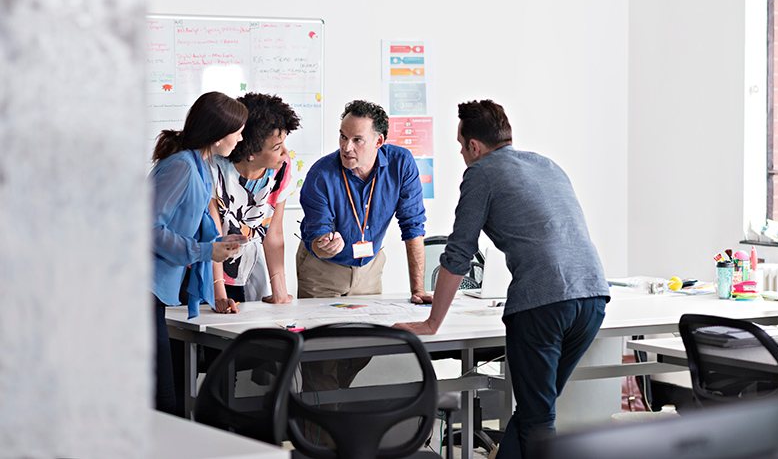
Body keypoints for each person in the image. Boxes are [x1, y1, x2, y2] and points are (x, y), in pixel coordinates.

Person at [394, 100, 610, 458]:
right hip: (592, 299)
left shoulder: (481, 173)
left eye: (462, 147)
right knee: (532, 410)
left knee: (538, 418)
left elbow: (459, 252)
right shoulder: (547, 165)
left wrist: (433, 322)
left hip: (543, 304)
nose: (462, 154)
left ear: (474, 146)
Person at [150, 91, 247, 414]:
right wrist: (206, 250)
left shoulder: (200, 166)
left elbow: (199, 222)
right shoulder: (181, 167)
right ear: (219, 135)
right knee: (164, 398)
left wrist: (223, 243)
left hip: (154, 290)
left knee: (168, 393)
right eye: (238, 131)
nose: (241, 137)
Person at [297, 99, 430, 303]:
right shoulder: (320, 174)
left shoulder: (401, 164)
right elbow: (317, 236)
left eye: (357, 140)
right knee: (322, 333)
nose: (346, 147)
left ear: (379, 142)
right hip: (324, 269)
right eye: (343, 137)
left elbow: (413, 226)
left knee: (368, 330)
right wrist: (324, 244)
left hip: (369, 268)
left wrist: (418, 290)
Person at [209, 93, 299, 305]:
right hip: (208, 270)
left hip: (247, 268)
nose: (285, 153)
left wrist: (279, 291)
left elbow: (274, 233)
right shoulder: (213, 169)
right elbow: (213, 236)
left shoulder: (281, 170)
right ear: (250, 151)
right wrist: (219, 295)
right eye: (277, 148)